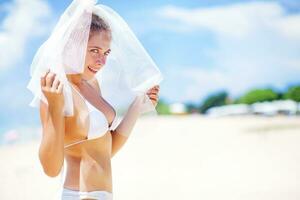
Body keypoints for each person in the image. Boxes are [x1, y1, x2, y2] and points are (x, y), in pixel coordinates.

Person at [27, 1, 163, 199]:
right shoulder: (57, 91)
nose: (102, 61)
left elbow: (104, 151)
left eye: (106, 53)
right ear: (73, 46)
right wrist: (55, 107)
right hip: (79, 195)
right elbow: (50, 169)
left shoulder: (91, 85)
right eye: (94, 51)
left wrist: (136, 107)